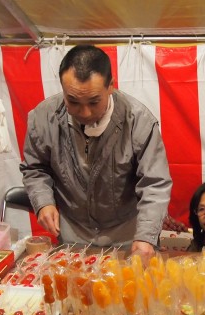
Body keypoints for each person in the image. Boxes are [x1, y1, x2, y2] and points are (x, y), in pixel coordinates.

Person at [20, 45, 172, 259]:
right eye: (72, 101)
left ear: (111, 86)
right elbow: (35, 168)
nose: (85, 112)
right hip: (73, 234)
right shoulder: (43, 117)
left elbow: (155, 183)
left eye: (94, 102)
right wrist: (43, 201)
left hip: (129, 236)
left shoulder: (138, 121)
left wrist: (146, 236)